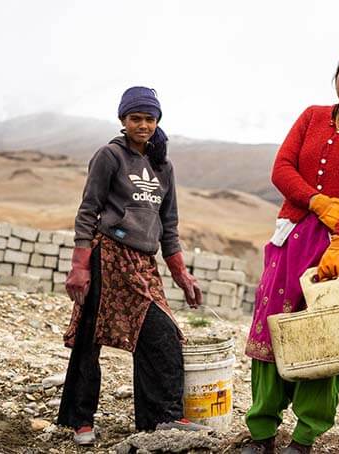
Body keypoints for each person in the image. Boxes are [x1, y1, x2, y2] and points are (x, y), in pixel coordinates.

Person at [242, 39, 339, 454]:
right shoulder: (311, 117)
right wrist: (315, 200)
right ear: (335, 78)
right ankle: (261, 434)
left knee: (327, 336)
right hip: (292, 237)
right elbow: (281, 168)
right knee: (272, 329)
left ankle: (304, 438)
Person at [57, 86, 210, 445]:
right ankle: (80, 420)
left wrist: (181, 274)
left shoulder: (163, 166)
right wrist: (79, 267)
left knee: (162, 334)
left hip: (143, 263)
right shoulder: (110, 156)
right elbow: (87, 211)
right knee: (89, 335)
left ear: (158, 122)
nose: (143, 125)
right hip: (106, 257)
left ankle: (161, 419)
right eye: (135, 118)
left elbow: (169, 226)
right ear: (123, 120)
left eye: (149, 119)